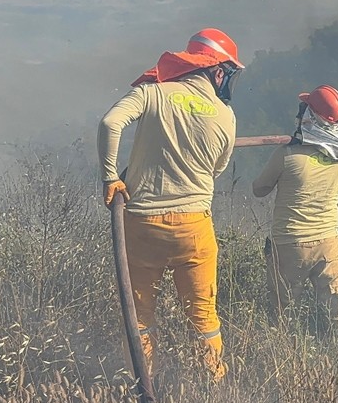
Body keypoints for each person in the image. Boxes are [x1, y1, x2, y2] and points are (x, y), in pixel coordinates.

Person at [98, 27, 242, 381]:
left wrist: (110, 177)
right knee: (203, 317)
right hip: (194, 227)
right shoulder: (226, 115)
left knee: (140, 315)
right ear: (217, 72)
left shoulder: (153, 93)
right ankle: (213, 383)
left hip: (142, 224)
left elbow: (110, 123)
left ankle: (142, 384)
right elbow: (217, 169)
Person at [252, 85, 338, 330]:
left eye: (303, 111)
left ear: (310, 118)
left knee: (282, 313)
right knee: (335, 311)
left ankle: (283, 350)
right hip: (329, 243)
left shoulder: (286, 156)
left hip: (290, 244)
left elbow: (259, 189)